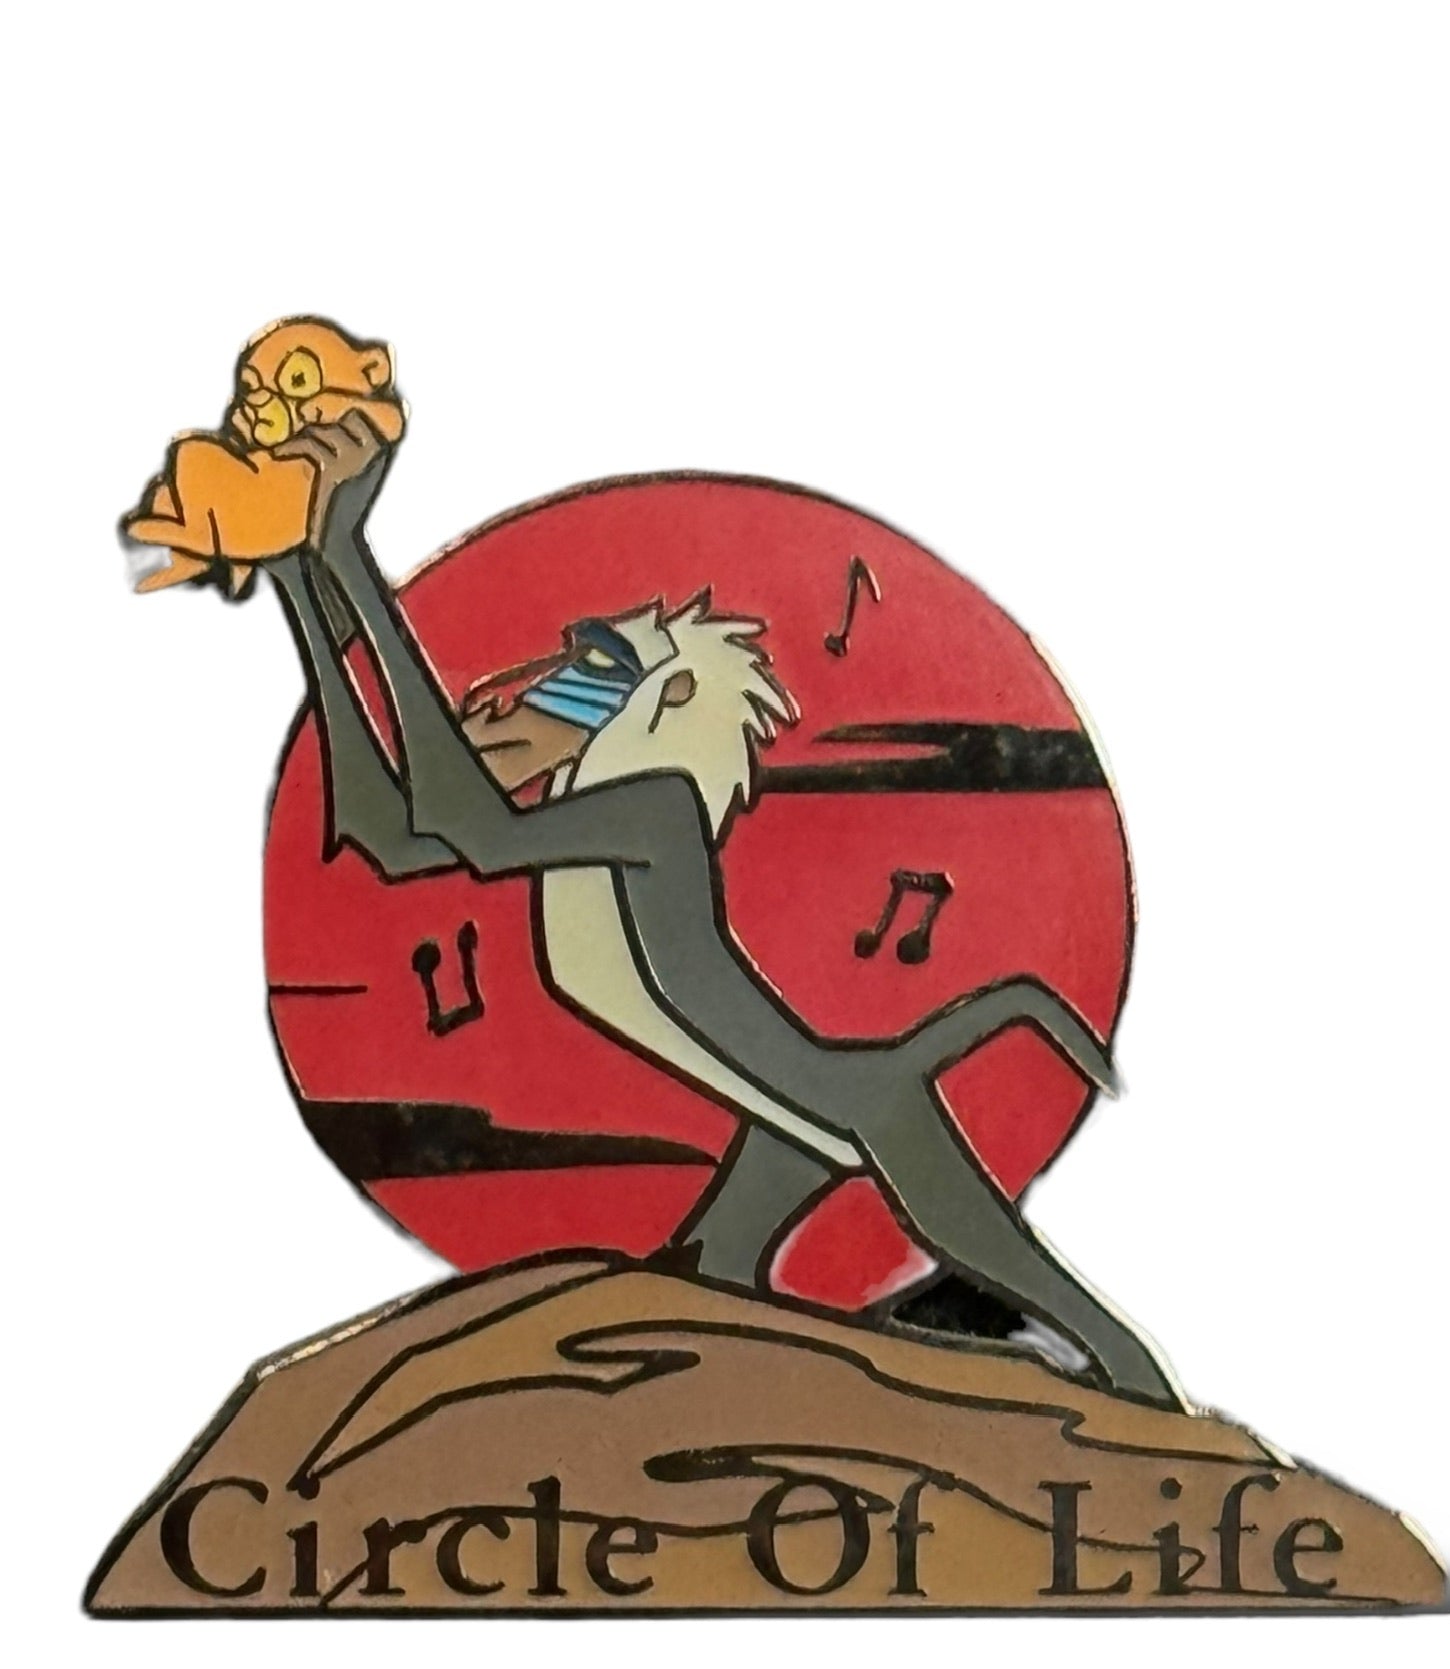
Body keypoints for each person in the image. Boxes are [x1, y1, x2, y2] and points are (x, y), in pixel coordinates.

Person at [264, 410, 1184, 1410]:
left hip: (850, 1110)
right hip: (773, 1124)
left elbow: (467, 827)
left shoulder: (655, 811)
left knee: (1055, 1308)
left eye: (600, 669)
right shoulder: (584, 818)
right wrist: (299, 578)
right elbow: (390, 835)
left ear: (672, 697)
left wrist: (348, 558)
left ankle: (1090, 1406)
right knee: (697, 1295)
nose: (553, 688)